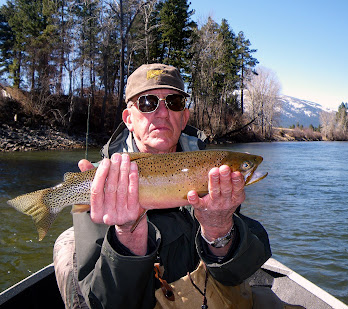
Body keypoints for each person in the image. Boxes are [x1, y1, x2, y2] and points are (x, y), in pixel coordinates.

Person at [53, 63, 271, 309]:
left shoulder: (212, 172)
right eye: (147, 103)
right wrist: (127, 237)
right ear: (128, 119)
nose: (162, 113)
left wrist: (219, 230)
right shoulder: (101, 179)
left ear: (184, 116)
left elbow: (236, 274)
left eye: (174, 102)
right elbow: (105, 303)